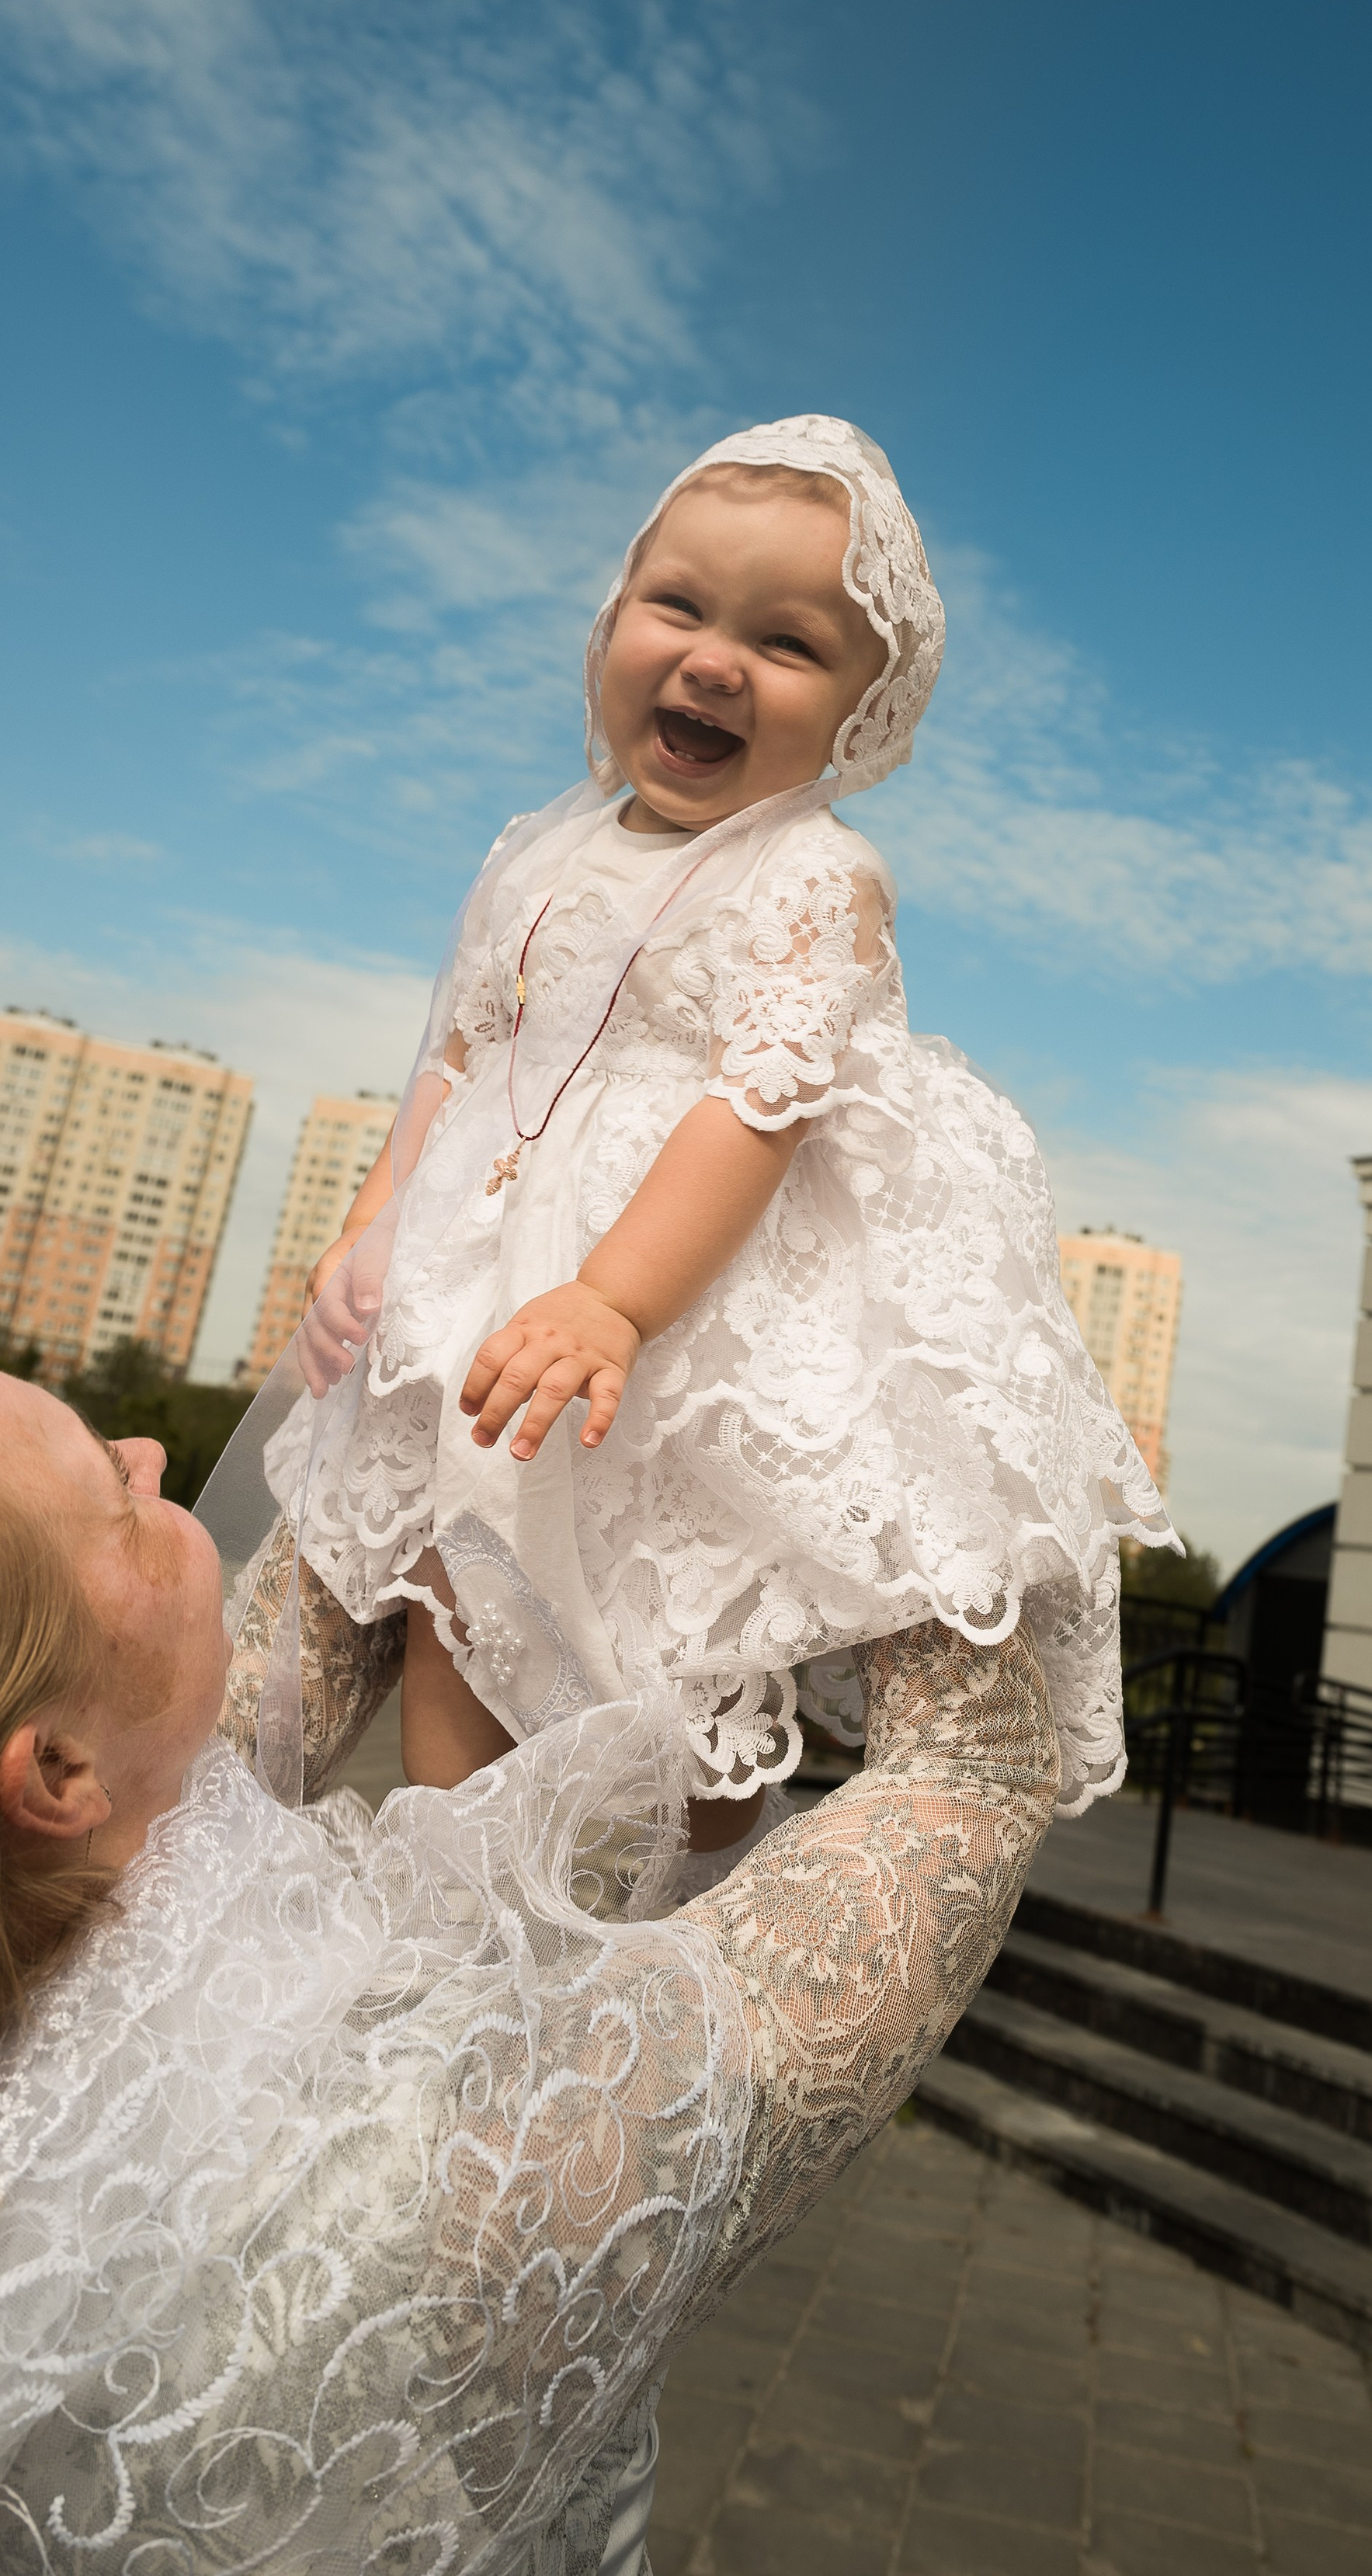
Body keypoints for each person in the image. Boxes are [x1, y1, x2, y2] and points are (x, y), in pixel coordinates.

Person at [0, 1340, 1061, 2570]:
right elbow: (982, 1764)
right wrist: (845, 1328)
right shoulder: (446, 2168)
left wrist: (441, 1337)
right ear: (54, 1772)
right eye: (115, 1496)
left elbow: (292, 1624)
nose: (151, 1451)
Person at [215, 413, 1168, 1878]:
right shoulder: (530, 855)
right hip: (476, 1310)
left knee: (674, 1633)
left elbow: (756, 1109)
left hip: (670, 1328)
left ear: (862, 713)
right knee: (453, 1582)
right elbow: (460, 1060)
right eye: (680, 608)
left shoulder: (813, 873)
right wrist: (372, 1228)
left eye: (785, 644)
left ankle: (667, 1899)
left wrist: (616, 1299)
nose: (716, 661)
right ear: (611, 626)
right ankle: (452, 1894)